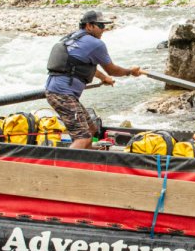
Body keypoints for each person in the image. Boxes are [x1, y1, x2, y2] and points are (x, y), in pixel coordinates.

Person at [46, 11, 142, 149]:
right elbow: (112, 70)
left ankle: (86, 159)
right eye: (101, 25)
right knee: (83, 138)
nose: (104, 29)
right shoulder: (95, 44)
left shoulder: (73, 38)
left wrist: (103, 78)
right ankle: (63, 162)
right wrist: (130, 71)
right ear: (89, 26)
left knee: (91, 130)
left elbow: (79, 65)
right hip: (63, 95)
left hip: (57, 91)